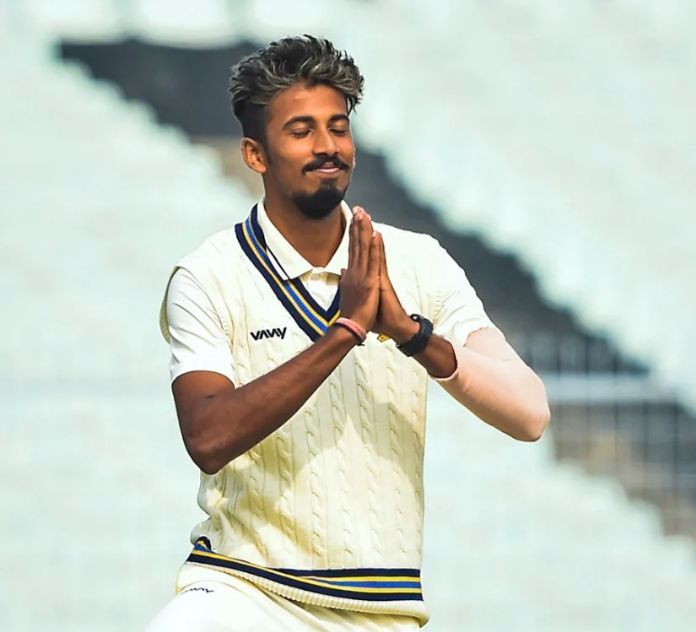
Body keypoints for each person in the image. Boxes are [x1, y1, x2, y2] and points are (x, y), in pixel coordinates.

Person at [147, 35, 550, 630]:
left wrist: (413, 335)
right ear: (255, 155)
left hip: (383, 611)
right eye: (301, 130)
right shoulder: (207, 276)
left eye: (338, 127)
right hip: (245, 594)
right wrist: (346, 331)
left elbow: (530, 414)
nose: (328, 147)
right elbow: (208, 436)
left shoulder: (418, 262)